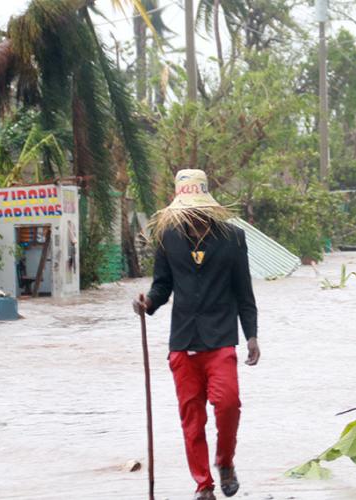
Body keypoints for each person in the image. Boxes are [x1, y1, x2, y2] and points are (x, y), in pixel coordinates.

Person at [132, 169, 260, 500]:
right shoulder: (168, 237)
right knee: (192, 418)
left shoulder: (232, 238)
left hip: (221, 339)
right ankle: (203, 485)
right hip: (183, 341)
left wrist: (252, 335)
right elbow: (163, 285)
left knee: (228, 404)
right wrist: (147, 303)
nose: (193, 214)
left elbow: (243, 291)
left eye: (197, 208)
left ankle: (225, 461)